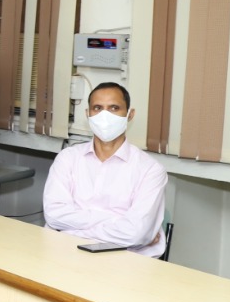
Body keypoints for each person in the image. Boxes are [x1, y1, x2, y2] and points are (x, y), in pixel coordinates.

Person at [44, 82, 167, 257]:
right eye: (97, 108)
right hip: (65, 252)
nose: (105, 115)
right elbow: (54, 216)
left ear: (130, 114)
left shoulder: (151, 170)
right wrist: (117, 220)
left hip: (126, 260)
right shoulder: (67, 158)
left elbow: (135, 233)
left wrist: (71, 229)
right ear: (88, 114)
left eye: (114, 108)